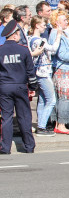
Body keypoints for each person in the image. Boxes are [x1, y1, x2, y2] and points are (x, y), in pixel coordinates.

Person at [0, 21, 37, 154]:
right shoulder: (23, 50)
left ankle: (5, 147)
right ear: (15, 35)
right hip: (21, 86)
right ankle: (29, 146)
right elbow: (30, 72)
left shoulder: (0, 50)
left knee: (6, 117)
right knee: (24, 117)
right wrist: (33, 86)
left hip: (4, 87)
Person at [29, 16, 60, 136]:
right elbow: (53, 49)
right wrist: (58, 36)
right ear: (36, 25)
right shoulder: (39, 40)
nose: (45, 27)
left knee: (42, 100)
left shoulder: (31, 39)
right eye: (43, 25)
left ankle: (41, 125)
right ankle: (42, 126)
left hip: (41, 72)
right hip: (43, 72)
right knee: (51, 100)